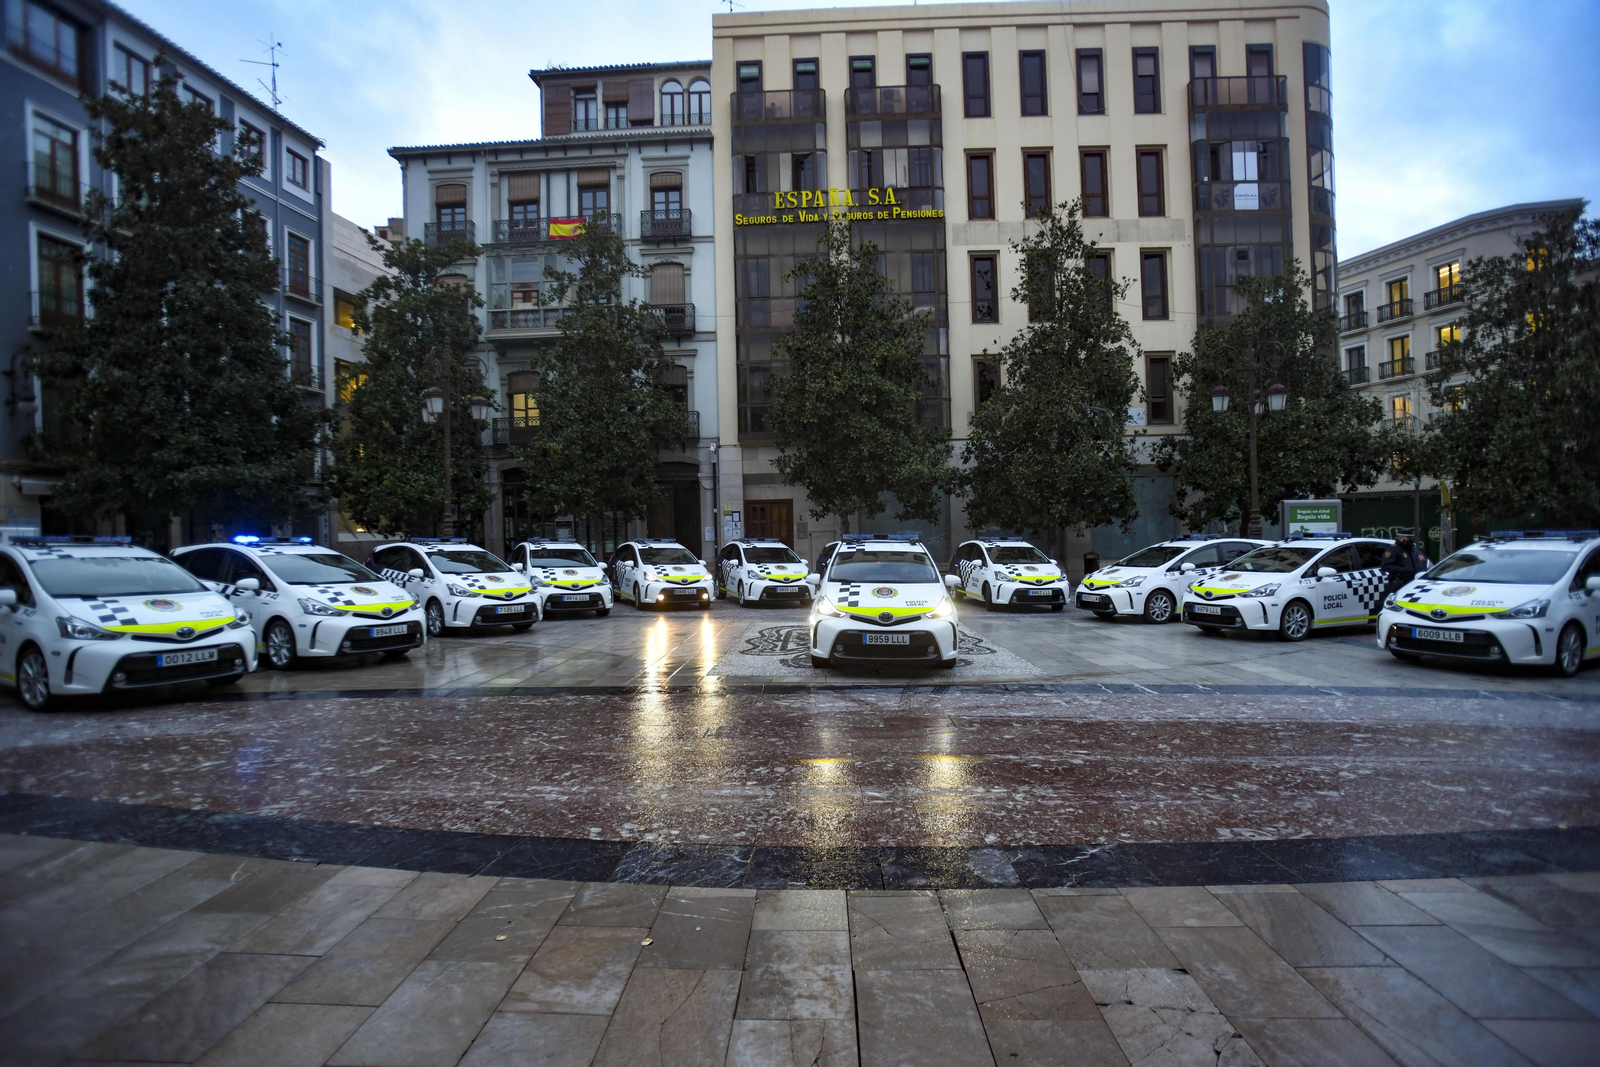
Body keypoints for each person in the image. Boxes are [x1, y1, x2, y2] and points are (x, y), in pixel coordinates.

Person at [1380, 529, 1427, 594]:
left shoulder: (1412, 549)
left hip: (1413, 581)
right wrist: (1404, 570)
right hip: (1400, 581)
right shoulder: (1393, 550)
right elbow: (1385, 566)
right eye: (1408, 538)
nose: (1410, 540)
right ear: (1401, 538)